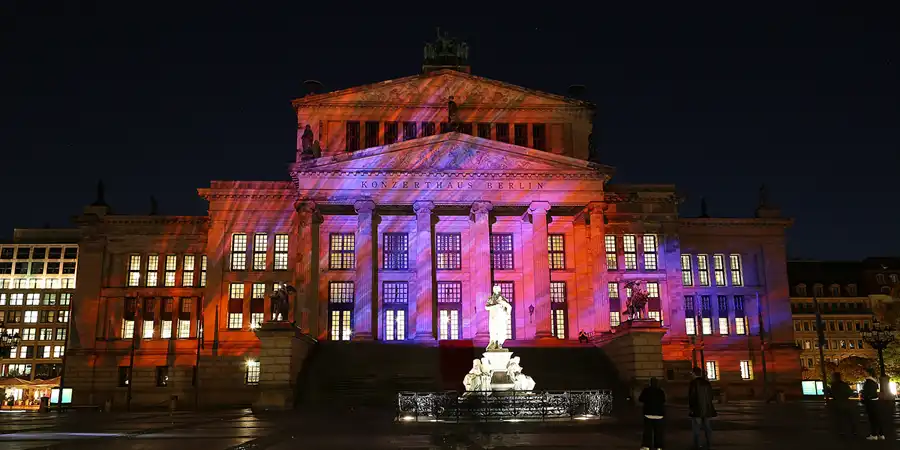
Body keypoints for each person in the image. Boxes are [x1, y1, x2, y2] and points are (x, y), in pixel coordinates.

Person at [688, 367, 716, 449]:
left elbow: (692, 397)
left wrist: (691, 408)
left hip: (697, 410)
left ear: (694, 373)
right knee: (708, 428)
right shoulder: (707, 383)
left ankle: (697, 445)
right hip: (707, 409)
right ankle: (709, 443)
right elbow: (711, 396)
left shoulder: (693, 383)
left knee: (696, 429)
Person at [639, 377, 666, 450]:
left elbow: (640, 399)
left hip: (648, 414)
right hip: (659, 414)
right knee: (658, 432)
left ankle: (646, 446)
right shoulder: (660, 391)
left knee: (648, 432)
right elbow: (663, 400)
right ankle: (659, 446)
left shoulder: (646, 391)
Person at [828, 372, 857, 439]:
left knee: (840, 418)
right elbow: (850, 392)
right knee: (849, 418)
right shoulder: (844, 384)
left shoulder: (834, 385)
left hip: (838, 403)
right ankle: (853, 431)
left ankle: (842, 431)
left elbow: (833, 394)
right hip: (846, 403)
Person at [861, 369, 885, 440]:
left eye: (865, 372)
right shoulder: (874, 381)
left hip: (870, 402)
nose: (863, 373)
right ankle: (881, 434)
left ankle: (874, 435)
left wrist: (863, 399)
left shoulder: (868, 382)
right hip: (875, 401)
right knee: (877, 418)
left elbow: (867, 393)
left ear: (868, 373)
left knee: (872, 419)